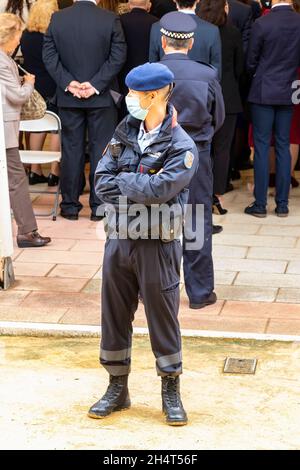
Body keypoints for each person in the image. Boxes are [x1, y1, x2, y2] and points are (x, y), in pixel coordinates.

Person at [88, 62, 198, 426]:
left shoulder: (182, 145)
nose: (130, 98)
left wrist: (124, 183)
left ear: (152, 96)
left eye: (134, 94)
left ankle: (171, 389)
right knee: (114, 314)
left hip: (158, 244)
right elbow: (100, 181)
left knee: (162, 316)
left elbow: (162, 190)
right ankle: (117, 387)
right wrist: (133, 186)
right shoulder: (123, 132)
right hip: (119, 239)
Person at [160, 12, 225, 308]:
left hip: (158, 155)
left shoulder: (151, 73)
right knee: (197, 220)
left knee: (155, 221)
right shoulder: (207, 74)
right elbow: (219, 117)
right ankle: (199, 292)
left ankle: (155, 289)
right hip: (195, 154)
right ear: (191, 43)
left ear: (163, 41)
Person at [43, 0, 127, 221]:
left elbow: (49, 57)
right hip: (101, 98)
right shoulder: (109, 19)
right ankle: (99, 206)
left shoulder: (58, 18)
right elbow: (118, 56)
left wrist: (69, 83)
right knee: (102, 151)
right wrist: (96, 84)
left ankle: (69, 206)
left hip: (69, 98)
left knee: (71, 151)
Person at [245, 0, 300, 218]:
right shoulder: (298, 21)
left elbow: (251, 60)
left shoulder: (262, 23)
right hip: (289, 88)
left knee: (261, 145)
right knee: (283, 144)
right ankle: (283, 204)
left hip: (264, 90)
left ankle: (260, 204)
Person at [0, 13, 51, 247]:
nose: (19, 40)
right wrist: (29, 84)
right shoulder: (2, 61)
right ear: (8, 36)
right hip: (5, 131)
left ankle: (27, 231)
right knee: (17, 181)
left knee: (15, 179)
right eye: (18, 35)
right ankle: (27, 232)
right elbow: (17, 96)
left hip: (7, 129)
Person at [199, 0, 244, 209]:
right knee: (223, 149)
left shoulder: (199, 31)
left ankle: (200, 190)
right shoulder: (233, 32)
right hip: (228, 96)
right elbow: (239, 68)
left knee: (202, 146)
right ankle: (216, 194)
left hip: (201, 95)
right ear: (224, 8)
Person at [20, 0, 60, 187]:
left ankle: (35, 170)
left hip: (34, 87)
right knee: (56, 129)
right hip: (52, 86)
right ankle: (54, 172)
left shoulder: (25, 36)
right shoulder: (52, 36)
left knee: (36, 126)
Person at [149, 0, 222, 80]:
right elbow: (216, 72)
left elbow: (153, 67)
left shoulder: (157, 28)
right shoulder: (211, 30)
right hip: (200, 90)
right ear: (198, 0)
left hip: (167, 88)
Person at [119, 1, 158, 118]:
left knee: (123, 113)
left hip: (123, 74)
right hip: (149, 74)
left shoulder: (118, 21)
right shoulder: (156, 22)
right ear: (148, 5)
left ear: (129, 5)